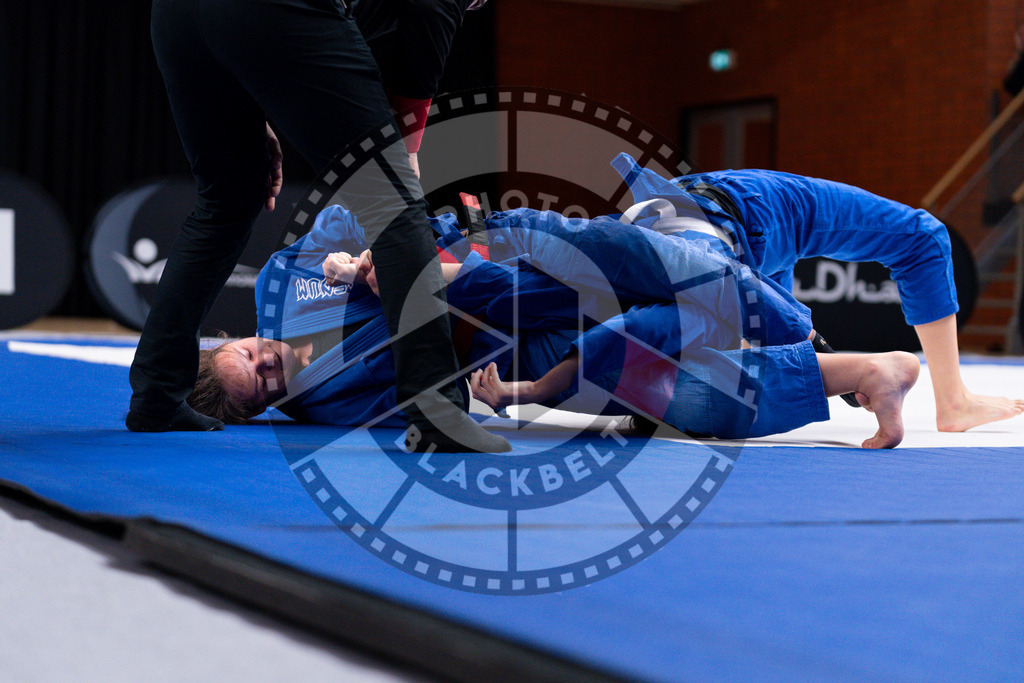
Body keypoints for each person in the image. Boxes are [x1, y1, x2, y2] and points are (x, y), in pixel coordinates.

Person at [189, 203, 920, 448]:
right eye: (260, 387)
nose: (265, 364)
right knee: (655, 386)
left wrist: (379, 251)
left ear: (236, 338)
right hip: (509, 343)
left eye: (248, 355)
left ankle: (788, 326)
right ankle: (861, 372)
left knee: (621, 255)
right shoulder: (330, 408)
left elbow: (352, 215)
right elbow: (431, 408)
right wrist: (494, 395)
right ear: (267, 407)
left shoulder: (286, 282)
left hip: (488, 263)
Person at [127, 0, 509, 454]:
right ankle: (435, 412)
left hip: (178, 15)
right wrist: (406, 149)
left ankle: (157, 394)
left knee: (229, 200)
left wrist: (249, 102)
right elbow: (432, 8)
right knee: (393, 205)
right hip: (269, 14)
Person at [605, 153, 1024, 433]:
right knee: (922, 238)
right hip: (710, 214)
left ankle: (951, 400)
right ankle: (954, 402)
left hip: (732, 213)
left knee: (922, 237)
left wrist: (833, 362)